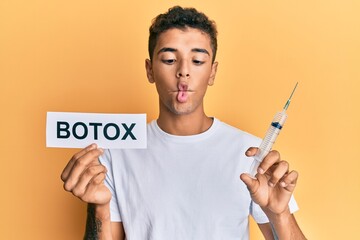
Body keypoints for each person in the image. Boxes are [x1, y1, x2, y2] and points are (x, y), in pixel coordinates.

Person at [61, 6, 306, 240]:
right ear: (149, 70)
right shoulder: (116, 153)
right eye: (169, 59)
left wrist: (279, 214)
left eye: (198, 61)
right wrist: (100, 209)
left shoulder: (252, 154)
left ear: (212, 72)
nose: (183, 72)